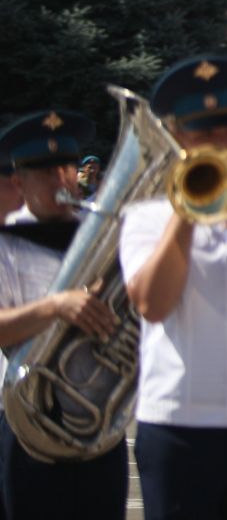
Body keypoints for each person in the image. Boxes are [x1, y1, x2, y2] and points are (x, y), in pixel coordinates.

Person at [120, 55, 227, 520]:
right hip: (179, 428)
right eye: (204, 131)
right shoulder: (146, 216)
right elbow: (152, 304)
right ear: (178, 138)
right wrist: (185, 213)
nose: (221, 142)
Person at [0, 109, 125, 517]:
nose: (61, 179)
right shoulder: (6, 241)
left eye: (67, 167)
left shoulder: (106, 234)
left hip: (102, 427)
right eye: (45, 172)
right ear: (19, 181)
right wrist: (56, 307)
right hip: (32, 426)